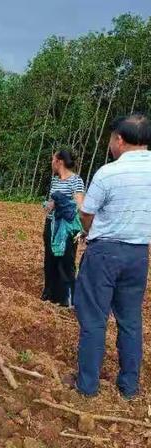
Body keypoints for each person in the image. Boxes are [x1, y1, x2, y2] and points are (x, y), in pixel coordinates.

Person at [74, 114, 151, 399]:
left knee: (94, 319)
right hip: (139, 254)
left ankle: (87, 386)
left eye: (110, 139)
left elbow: (87, 214)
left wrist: (90, 229)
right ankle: (129, 387)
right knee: (130, 320)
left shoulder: (109, 172)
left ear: (119, 139)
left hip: (105, 253)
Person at [41, 150, 84, 307]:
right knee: (50, 259)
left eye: (53, 159)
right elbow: (51, 203)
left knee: (66, 260)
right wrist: (49, 205)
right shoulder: (55, 180)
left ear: (59, 161)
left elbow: (79, 205)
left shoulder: (76, 180)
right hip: (52, 224)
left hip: (67, 227)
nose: (51, 162)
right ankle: (50, 293)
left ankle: (66, 298)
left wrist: (79, 231)